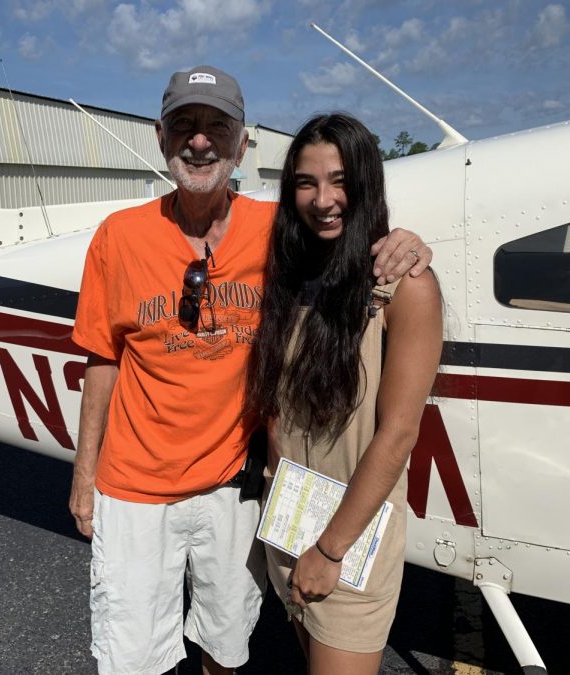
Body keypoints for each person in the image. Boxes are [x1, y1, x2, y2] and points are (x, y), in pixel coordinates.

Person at [69, 65, 433, 675]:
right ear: (160, 137)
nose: (200, 139)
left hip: (234, 486)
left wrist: (410, 244)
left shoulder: (277, 232)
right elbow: (103, 357)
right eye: (184, 124)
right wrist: (85, 473)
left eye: (217, 126)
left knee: (226, 644)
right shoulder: (118, 236)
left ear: (243, 144)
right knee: (130, 658)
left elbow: (346, 234)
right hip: (134, 486)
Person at [246, 113, 443, 674]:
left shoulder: (405, 285)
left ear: (365, 182)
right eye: (306, 183)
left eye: (339, 180)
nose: (323, 198)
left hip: (349, 540)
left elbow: (399, 433)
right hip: (290, 518)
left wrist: (330, 550)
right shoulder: (292, 273)